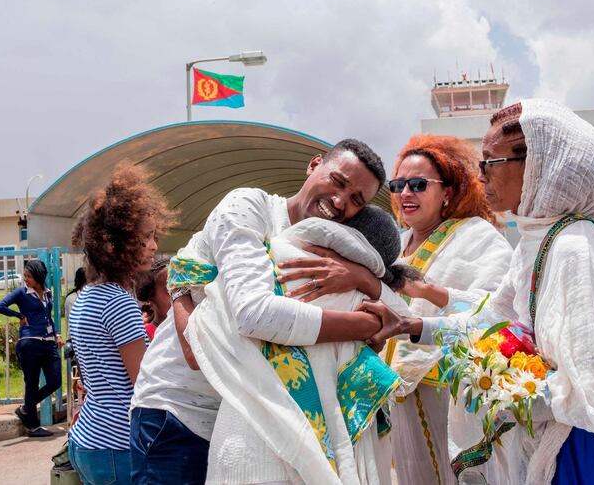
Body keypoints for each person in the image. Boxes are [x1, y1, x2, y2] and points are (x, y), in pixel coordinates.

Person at [362, 100, 594, 484]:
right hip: (557, 440)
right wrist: (410, 325)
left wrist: (507, 395)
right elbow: (489, 321)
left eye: (491, 162)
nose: (482, 176)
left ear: (538, 165)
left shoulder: (575, 247)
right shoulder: (535, 243)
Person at [130, 139, 396, 485]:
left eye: (356, 200)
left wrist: (364, 279)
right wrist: (363, 325)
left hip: (243, 412)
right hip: (178, 412)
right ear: (314, 165)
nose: (340, 201)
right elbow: (254, 314)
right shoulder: (248, 207)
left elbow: (397, 314)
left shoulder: (330, 253)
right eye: (338, 181)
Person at [186, 205, 416, 485]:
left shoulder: (264, 255)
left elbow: (203, 316)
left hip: (242, 438)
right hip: (311, 445)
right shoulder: (362, 295)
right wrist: (366, 282)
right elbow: (407, 322)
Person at [382, 134, 513, 485]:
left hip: (453, 392)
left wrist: (430, 291)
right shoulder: (394, 244)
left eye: (418, 184)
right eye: (398, 185)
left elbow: (498, 309)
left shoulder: (476, 236)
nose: (405, 193)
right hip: (399, 392)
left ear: (449, 192)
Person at [68, 164, 174, 485]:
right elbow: (142, 381)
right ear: (116, 243)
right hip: (116, 444)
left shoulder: (86, 297)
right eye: (144, 239)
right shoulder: (119, 302)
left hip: (86, 438)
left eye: (154, 237)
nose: (153, 246)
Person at [0, 259, 62, 437]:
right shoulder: (21, 293)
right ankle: (32, 426)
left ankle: (25, 408)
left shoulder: (47, 293)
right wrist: (19, 315)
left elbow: (48, 317)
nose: (26, 279)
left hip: (48, 343)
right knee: (31, 383)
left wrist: (57, 334)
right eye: (25, 276)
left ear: (39, 276)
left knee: (55, 381)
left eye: (29, 276)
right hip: (29, 343)